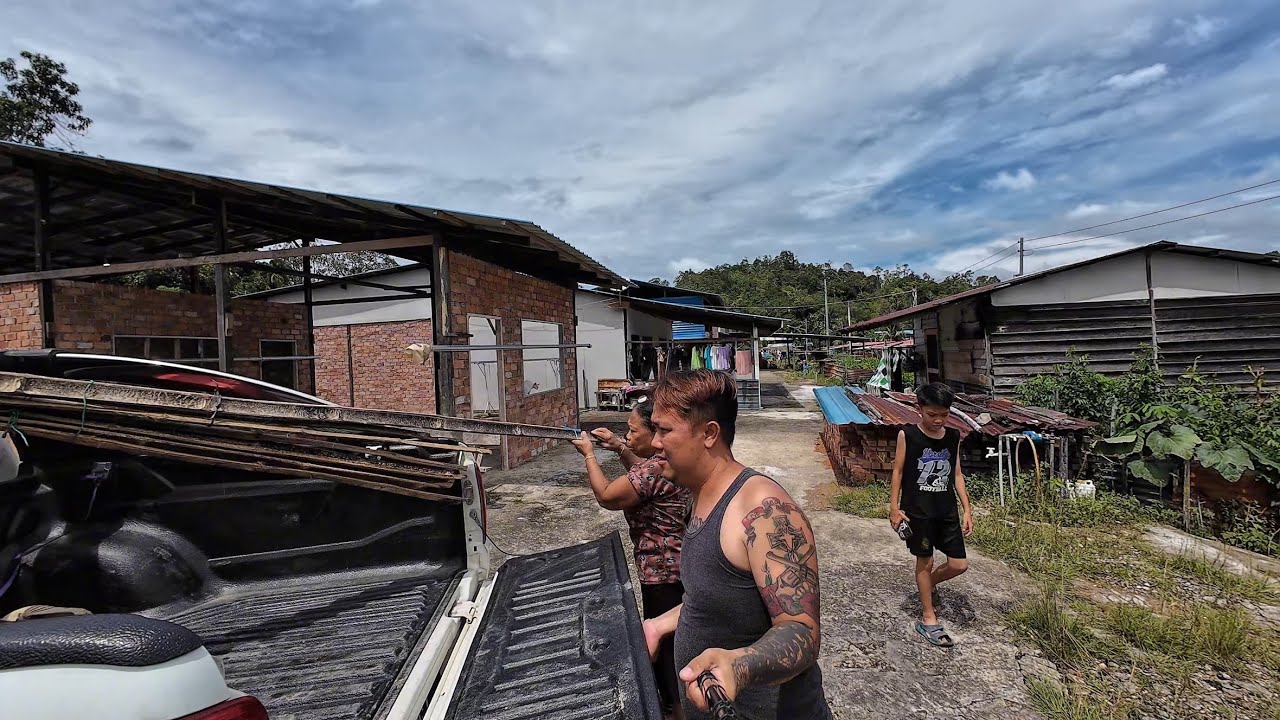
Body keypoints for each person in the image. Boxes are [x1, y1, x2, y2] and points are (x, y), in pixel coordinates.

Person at [640, 370, 831, 719]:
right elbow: (714, 599)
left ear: (709, 434)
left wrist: (739, 666)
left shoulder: (763, 511)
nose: (654, 442)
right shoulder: (698, 496)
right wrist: (658, 624)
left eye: (664, 430)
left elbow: (801, 632)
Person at [572, 400, 689, 717]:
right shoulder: (666, 462)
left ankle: (675, 711)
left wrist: (589, 455)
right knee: (676, 645)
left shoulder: (654, 468)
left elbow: (608, 495)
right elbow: (640, 467)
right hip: (679, 566)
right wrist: (619, 446)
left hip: (662, 572)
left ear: (655, 434)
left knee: (666, 653)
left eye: (633, 430)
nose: (627, 434)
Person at [888, 382, 974, 648]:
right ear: (919, 409)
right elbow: (898, 472)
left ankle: (928, 584)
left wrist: (967, 509)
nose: (938, 420)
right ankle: (928, 619)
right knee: (924, 563)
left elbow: (957, 474)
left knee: (960, 564)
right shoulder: (908, 435)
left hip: (946, 510)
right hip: (918, 512)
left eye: (944, 415)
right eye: (932, 414)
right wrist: (893, 508)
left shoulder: (952, 437)